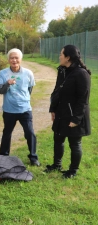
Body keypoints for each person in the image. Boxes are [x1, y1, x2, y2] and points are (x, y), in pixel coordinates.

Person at [45, 45, 91, 178]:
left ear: (68, 57)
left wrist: (76, 119)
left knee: (74, 143)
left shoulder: (82, 74)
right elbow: (57, 91)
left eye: (61, 54)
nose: (59, 56)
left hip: (74, 115)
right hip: (61, 112)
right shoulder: (62, 70)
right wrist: (53, 108)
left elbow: (83, 99)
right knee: (58, 138)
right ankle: (57, 165)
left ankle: (73, 170)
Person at [0, 48, 40, 166]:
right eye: (12, 58)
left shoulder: (28, 73)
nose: (14, 60)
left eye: (16, 58)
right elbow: (1, 91)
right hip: (9, 110)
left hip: (25, 109)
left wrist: (23, 99)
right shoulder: (3, 73)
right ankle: (3, 156)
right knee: (7, 133)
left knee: (30, 132)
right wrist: (8, 83)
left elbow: (30, 89)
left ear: (21, 59)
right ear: (8, 59)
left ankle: (33, 157)